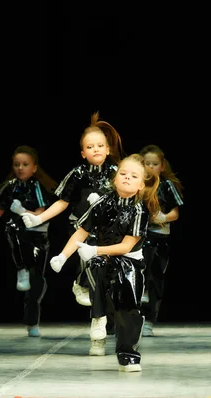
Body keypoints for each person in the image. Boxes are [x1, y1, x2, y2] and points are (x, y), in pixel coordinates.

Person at [47, 153, 160, 371]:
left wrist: (95, 249)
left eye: (133, 176)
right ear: (115, 178)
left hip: (130, 264)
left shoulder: (139, 210)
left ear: (141, 186)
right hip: (102, 259)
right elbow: (81, 232)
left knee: (128, 311)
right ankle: (97, 314)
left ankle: (128, 355)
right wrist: (62, 256)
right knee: (96, 266)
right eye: (123, 173)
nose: (127, 178)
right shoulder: (102, 203)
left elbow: (126, 247)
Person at [21, 111, 125, 339]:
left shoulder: (116, 173)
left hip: (108, 232)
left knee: (106, 276)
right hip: (80, 228)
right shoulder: (77, 174)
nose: (96, 149)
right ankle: (89, 300)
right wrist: (40, 218)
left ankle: (103, 313)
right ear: (83, 153)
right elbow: (62, 202)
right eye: (90, 147)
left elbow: (125, 199)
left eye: (100, 145)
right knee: (90, 264)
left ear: (108, 149)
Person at [0, 145, 58, 337]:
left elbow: (41, 214)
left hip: (38, 235)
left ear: (34, 167)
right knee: (12, 229)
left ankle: (32, 321)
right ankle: (21, 269)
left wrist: (22, 211)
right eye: (17, 164)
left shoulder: (38, 187)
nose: (20, 168)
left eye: (25, 164)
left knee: (38, 282)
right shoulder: (10, 187)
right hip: (19, 233)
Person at [139, 144, 184, 337]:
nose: (150, 167)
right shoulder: (136, 185)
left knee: (155, 280)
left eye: (154, 164)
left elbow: (176, 212)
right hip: (139, 237)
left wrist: (163, 217)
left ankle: (149, 321)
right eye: (146, 163)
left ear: (162, 166)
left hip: (160, 238)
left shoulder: (167, 185)